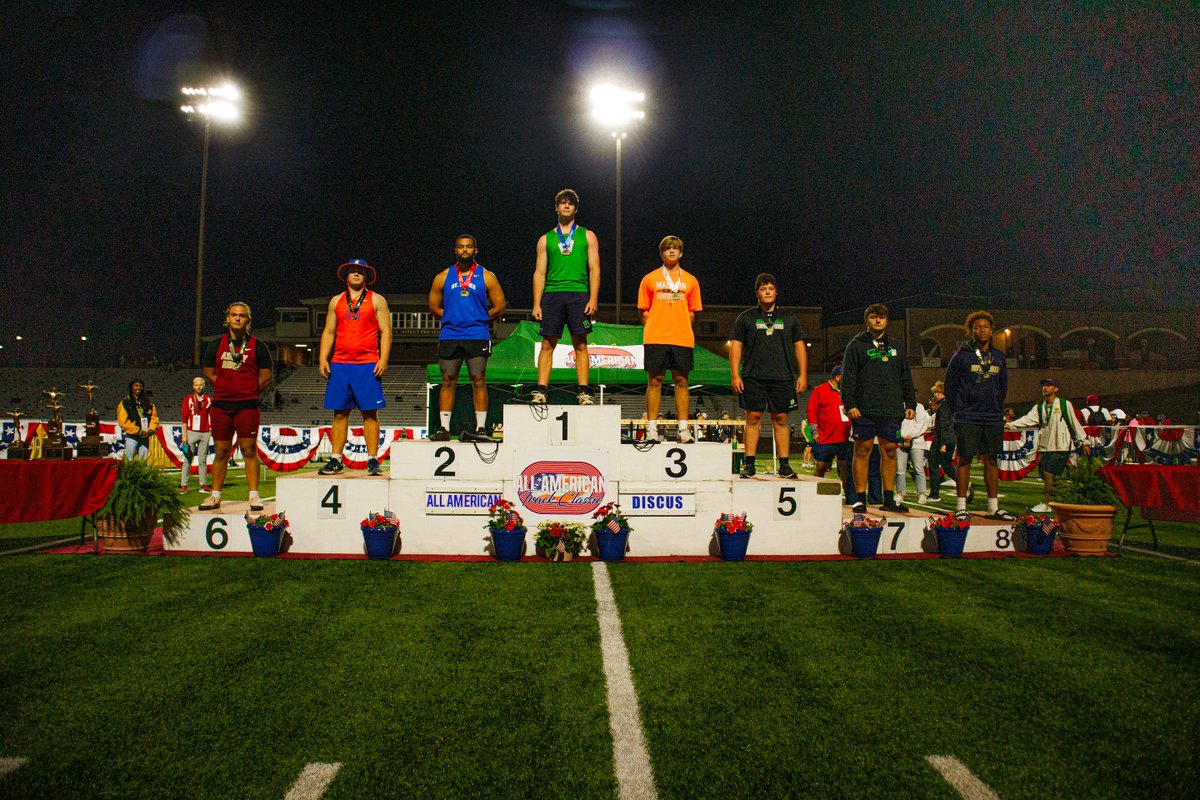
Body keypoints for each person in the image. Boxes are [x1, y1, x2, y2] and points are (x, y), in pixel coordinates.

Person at [316, 259, 392, 476]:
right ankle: (336, 459)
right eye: (353, 271)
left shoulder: (377, 300)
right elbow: (329, 331)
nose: (357, 274)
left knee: (370, 413)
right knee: (340, 413)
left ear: (366, 277)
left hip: (367, 363)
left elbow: (386, 332)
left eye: (361, 271)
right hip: (340, 364)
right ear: (346, 276)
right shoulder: (336, 301)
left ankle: (373, 459)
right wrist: (323, 358)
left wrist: (383, 359)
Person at [729, 273, 808, 479]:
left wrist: (803, 374)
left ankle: (784, 465)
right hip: (753, 377)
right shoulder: (745, 318)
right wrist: (735, 375)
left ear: (776, 292)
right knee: (753, 417)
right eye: (763, 289)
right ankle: (749, 465)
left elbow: (799, 346)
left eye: (770, 288)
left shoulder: (789, 317)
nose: (767, 291)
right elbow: (736, 348)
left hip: (783, 377)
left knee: (781, 419)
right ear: (757, 293)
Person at [428, 234, 507, 441]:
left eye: (469, 247)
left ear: (475, 250)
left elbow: (500, 305)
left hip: (477, 334)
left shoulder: (486, 276)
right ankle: (444, 429)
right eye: (461, 247)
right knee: (447, 379)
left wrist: (481, 318)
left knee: (478, 379)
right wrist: (451, 318)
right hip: (450, 335)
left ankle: (481, 428)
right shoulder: (443, 276)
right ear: (455, 250)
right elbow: (433, 306)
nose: (465, 250)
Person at [840, 303, 915, 513]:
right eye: (873, 317)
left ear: (887, 320)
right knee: (862, 450)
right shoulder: (856, 345)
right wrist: (850, 404)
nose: (878, 320)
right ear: (867, 320)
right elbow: (848, 378)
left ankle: (889, 498)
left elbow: (905, 377)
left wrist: (910, 403)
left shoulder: (897, 346)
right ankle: (859, 499)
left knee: (890, 451)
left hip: (891, 408)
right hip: (864, 409)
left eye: (881, 317)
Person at [198, 302, 273, 511]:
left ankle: (254, 496)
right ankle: (214, 496)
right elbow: (209, 372)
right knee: (221, 451)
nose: (237, 319)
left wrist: (247, 390)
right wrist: (225, 388)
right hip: (221, 404)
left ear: (248, 320)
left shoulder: (258, 346)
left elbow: (266, 376)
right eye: (234, 315)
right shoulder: (215, 344)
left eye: (241, 316)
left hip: (247, 405)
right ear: (227, 318)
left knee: (248, 449)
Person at [531, 189, 600, 405]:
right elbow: (539, 273)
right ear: (557, 207)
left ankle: (584, 392)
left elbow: (595, 270)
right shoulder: (545, 239)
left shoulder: (588, 235)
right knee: (546, 343)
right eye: (562, 203)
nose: (566, 206)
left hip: (579, 293)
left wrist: (593, 299)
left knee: (580, 343)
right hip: (552, 294)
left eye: (570, 203)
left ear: (576, 208)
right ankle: (541, 391)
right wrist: (536, 303)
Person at [944, 310, 1013, 521]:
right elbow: (950, 386)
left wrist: (993, 407)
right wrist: (959, 409)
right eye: (977, 327)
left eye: (985, 327)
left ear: (992, 330)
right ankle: (961, 506)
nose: (981, 330)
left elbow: (1003, 388)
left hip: (991, 416)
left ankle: (993, 507)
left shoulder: (999, 357)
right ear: (971, 331)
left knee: (991, 460)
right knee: (964, 458)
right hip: (967, 415)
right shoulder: (961, 355)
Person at [637, 235, 703, 443]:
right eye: (667, 248)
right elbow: (643, 312)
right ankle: (652, 429)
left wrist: (678, 326)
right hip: (656, 337)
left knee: (682, 381)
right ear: (661, 253)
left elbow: (693, 313)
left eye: (675, 248)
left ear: (681, 253)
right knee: (655, 381)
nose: (671, 251)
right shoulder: (649, 279)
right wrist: (658, 325)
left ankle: (683, 430)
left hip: (682, 338)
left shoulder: (691, 280)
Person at [1006, 377, 1090, 512]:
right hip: (1045, 446)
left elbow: (1074, 423)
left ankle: (1047, 503)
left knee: (1048, 473)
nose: (1045, 388)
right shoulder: (1039, 406)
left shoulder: (1064, 404)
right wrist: (1010, 425)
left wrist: (1084, 441)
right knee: (1044, 474)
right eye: (1044, 385)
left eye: (1049, 385)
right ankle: (1055, 500)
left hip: (1061, 445)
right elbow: (1027, 419)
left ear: (1056, 389)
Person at [806, 365, 856, 505]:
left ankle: (850, 500)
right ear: (838, 377)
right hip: (826, 438)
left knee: (846, 469)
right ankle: (814, 498)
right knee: (821, 467)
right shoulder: (820, 390)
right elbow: (811, 411)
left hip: (845, 438)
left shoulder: (848, 392)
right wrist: (814, 431)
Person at [895, 399, 932, 504]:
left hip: (916, 441)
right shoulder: (897, 405)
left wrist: (911, 436)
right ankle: (900, 492)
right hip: (900, 442)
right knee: (900, 469)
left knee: (918, 468)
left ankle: (922, 493)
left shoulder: (919, 407)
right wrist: (903, 436)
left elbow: (922, 424)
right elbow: (895, 424)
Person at [179, 376, 212, 493]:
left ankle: (203, 485)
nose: (199, 387)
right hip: (191, 431)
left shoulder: (208, 399)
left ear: (204, 386)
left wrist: (210, 430)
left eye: (201, 385)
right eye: (196, 385)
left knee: (202, 460)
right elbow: (184, 418)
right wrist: (184, 435)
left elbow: (211, 416)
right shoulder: (188, 399)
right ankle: (184, 485)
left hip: (205, 432)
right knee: (188, 459)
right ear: (193, 386)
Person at [927, 381, 957, 501]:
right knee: (946, 465)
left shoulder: (942, 407)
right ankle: (964, 484)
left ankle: (934, 493)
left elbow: (944, 425)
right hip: (949, 439)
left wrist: (943, 443)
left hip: (941, 440)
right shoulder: (950, 405)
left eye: (937, 392)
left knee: (933, 464)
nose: (935, 395)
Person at [116, 378, 159, 461]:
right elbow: (123, 422)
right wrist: (138, 431)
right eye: (136, 386)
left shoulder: (148, 404)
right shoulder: (125, 403)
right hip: (132, 436)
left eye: (141, 386)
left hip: (145, 436)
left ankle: (142, 474)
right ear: (131, 388)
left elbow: (154, 419)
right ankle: (128, 474)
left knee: (143, 460)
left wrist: (150, 430)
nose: (138, 388)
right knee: (129, 460)